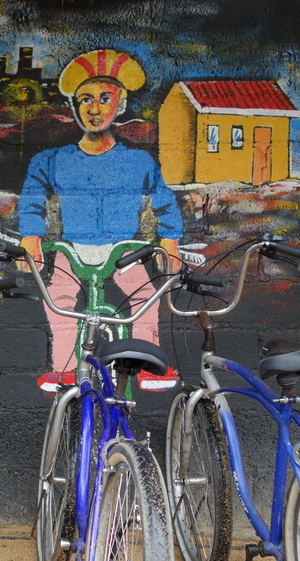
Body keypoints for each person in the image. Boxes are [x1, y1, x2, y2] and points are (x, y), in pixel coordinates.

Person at [16, 49, 183, 392]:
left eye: (105, 98)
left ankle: (149, 365)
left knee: (144, 295)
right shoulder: (52, 159)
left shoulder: (138, 161)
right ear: (74, 106)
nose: (94, 108)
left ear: (121, 105)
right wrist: (31, 237)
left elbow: (164, 201)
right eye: (85, 100)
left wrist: (170, 240)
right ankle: (64, 368)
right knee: (60, 297)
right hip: (73, 247)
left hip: (124, 249)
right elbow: (31, 198)